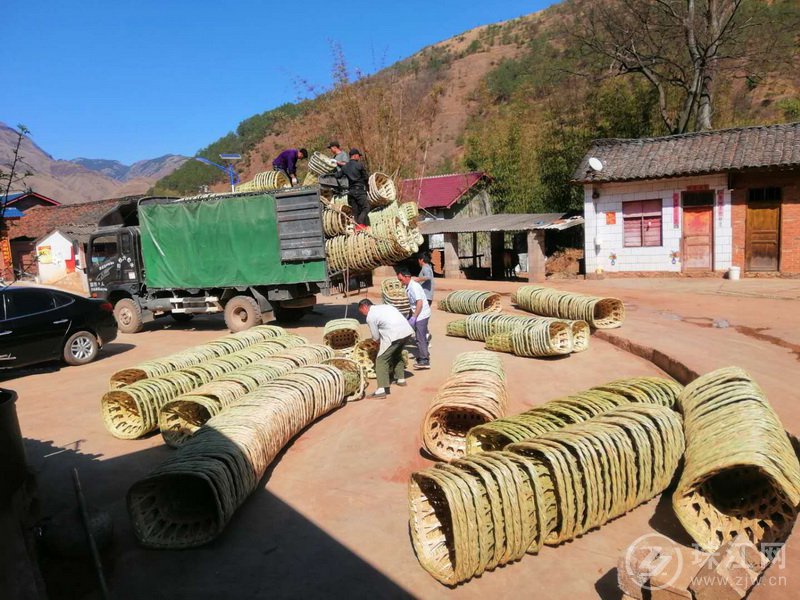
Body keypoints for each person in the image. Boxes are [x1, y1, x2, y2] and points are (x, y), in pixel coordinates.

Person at [358, 298, 413, 398]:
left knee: (381, 360)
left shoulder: (370, 316)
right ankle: (401, 379)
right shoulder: (386, 306)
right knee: (396, 353)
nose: (363, 314)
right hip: (407, 332)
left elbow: (375, 337)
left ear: (364, 307)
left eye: (361, 312)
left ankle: (381, 390)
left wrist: (377, 344)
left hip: (394, 336)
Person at [397, 267, 431, 369]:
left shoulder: (414, 287)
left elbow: (419, 302)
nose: (400, 282)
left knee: (420, 337)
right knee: (419, 336)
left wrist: (414, 317)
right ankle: (423, 355)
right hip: (417, 313)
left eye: (401, 279)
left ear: (407, 277)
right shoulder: (408, 286)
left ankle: (425, 361)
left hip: (421, 314)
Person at [341, 148, 370, 228]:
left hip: (350, 193)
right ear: (355, 156)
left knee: (355, 211)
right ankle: (360, 223)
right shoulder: (359, 165)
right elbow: (366, 178)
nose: (359, 157)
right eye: (358, 156)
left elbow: (338, 175)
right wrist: (368, 188)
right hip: (360, 191)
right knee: (366, 207)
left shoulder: (345, 167)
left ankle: (357, 230)